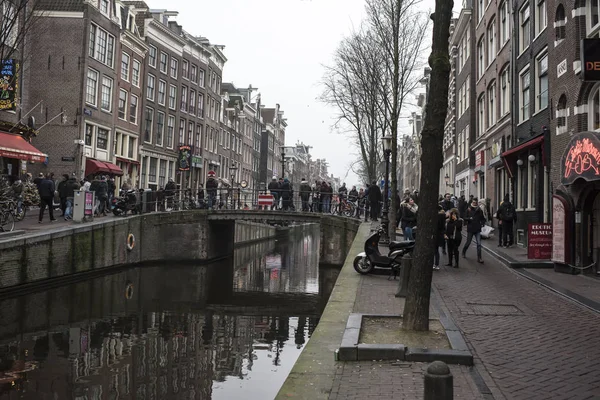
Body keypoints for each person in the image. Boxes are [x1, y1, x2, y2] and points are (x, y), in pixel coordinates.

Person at [462, 197, 485, 263]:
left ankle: (479, 258)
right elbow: (464, 217)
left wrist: (482, 223)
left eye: (476, 202)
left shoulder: (479, 210)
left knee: (479, 244)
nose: (475, 204)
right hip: (471, 228)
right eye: (473, 202)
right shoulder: (468, 210)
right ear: (472, 203)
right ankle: (464, 252)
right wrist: (469, 218)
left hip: (477, 228)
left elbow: (482, 218)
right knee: (468, 242)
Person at [433, 205, 447, 270]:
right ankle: (436, 264)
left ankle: (433, 264)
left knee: (434, 250)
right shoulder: (443, 217)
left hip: (434, 234)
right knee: (436, 250)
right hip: (439, 235)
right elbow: (443, 227)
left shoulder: (436, 217)